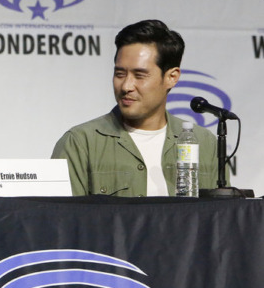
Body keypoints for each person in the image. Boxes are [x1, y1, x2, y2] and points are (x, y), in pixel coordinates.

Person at [51, 19, 218, 197]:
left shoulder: (204, 142)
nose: (126, 86)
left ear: (172, 77)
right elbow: (64, 221)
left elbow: (222, 218)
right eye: (119, 74)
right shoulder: (80, 143)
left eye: (140, 75)